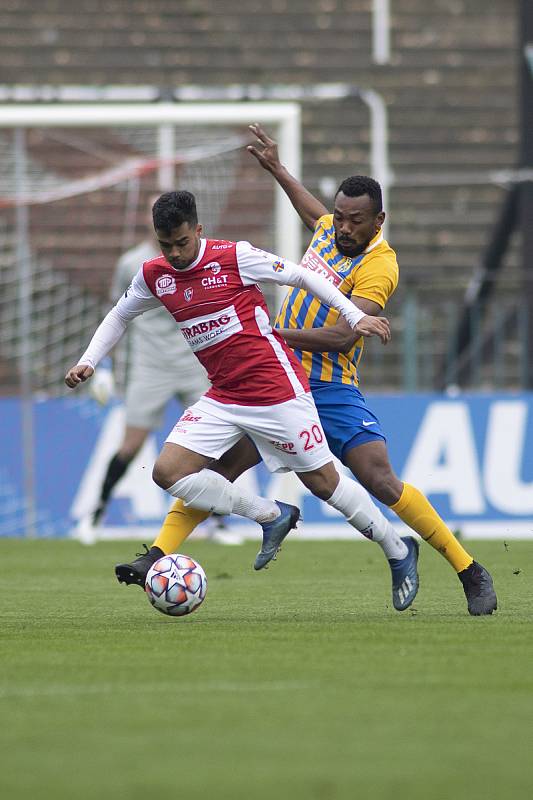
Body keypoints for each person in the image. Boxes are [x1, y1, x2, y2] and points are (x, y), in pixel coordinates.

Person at [144, 128, 497, 617]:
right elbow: (314, 212)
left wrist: (264, 335)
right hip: (273, 379)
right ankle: (158, 556)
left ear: (379, 220)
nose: (343, 228)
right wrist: (277, 169)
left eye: (355, 221)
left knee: (380, 480)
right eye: (340, 218)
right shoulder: (330, 230)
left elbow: (342, 336)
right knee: (218, 468)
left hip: (329, 385)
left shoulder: (380, 266)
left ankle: (467, 569)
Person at [65, 190, 422, 611]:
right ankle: (271, 514)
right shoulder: (153, 275)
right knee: (168, 472)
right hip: (223, 396)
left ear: (197, 230)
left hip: (277, 391)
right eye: (167, 246)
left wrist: (354, 316)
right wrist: (89, 361)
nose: (176, 254)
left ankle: (398, 549)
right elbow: (120, 314)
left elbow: (302, 276)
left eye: (182, 243)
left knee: (324, 483)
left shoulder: (235, 257)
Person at [74, 198, 236, 545]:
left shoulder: (204, 258)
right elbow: (117, 312)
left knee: (215, 446)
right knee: (130, 445)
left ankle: (219, 522)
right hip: (151, 365)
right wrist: (101, 363)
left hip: (194, 361)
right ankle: (95, 515)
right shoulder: (134, 264)